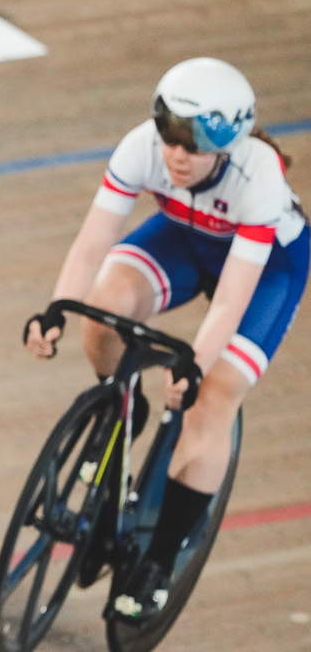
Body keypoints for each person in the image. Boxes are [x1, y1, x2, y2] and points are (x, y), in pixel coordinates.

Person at [25, 58, 304, 618]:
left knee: (211, 399)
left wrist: (194, 366)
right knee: (102, 309)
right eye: (171, 136)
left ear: (229, 145)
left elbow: (230, 297)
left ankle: (161, 558)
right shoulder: (141, 147)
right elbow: (91, 244)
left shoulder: (260, 178)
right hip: (184, 238)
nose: (177, 155)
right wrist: (56, 308)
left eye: (194, 145)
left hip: (266, 269)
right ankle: (123, 408)